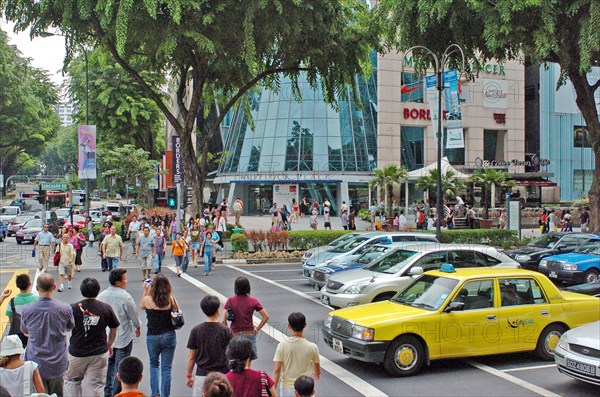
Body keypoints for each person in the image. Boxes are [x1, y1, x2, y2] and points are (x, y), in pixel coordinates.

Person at [21, 273, 75, 396]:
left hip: (35, 361)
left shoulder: (27, 309)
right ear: (54, 286)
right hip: (58, 361)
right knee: (58, 393)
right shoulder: (65, 308)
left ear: (36, 287)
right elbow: (70, 327)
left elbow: (24, 331)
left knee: (39, 394)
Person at [65, 278, 120, 397]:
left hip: (77, 352)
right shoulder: (105, 308)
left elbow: (66, 328)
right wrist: (109, 344)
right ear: (98, 291)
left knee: (72, 381)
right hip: (99, 351)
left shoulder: (72, 308)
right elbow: (114, 327)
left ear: (81, 291)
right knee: (95, 385)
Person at [98, 269, 141, 397]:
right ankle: (117, 393)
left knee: (108, 366)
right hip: (123, 337)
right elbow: (133, 315)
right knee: (121, 368)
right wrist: (137, 326)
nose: (126, 281)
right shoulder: (126, 297)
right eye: (125, 279)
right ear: (118, 283)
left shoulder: (101, 296)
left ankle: (107, 392)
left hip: (107, 337)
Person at [186, 296, 234, 396]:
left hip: (202, 375)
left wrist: (189, 375)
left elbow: (191, 357)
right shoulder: (226, 331)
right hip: (223, 375)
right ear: (217, 310)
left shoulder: (196, 330)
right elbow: (232, 354)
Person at [140, 274, 178, 397]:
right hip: (169, 335)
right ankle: (165, 394)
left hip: (152, 336)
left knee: (154, 364)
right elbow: (177, 312)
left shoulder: (147, 300)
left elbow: (141, 306)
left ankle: (155, 393)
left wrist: (146, 290)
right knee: (166, 368)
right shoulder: (171, 299)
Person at [272, 313, 320, 397]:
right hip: (306, 389)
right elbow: (317, 370)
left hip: (286, 388)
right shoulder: (312, 347)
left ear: (289, 326)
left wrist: (272, 391)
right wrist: (316, 372)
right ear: (305, 325)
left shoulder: (282, 345)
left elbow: (277, 370)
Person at [223, 277, 269, 360]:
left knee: (235, 359)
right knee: (248, 360)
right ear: (248, 287)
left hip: (234, 333)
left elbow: (223, 320)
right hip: (249, 333)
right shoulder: (253, 301)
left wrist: (228, 331)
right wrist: (257, 329)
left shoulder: (230, 301)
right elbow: (266, 316)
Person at [6, 274, 38, 347]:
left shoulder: (12, 302)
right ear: (29, 284)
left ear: (17, 286)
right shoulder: (37, 300)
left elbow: (12, 322)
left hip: (18, 336)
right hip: (34, 334)